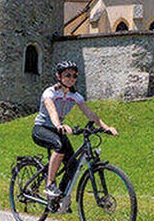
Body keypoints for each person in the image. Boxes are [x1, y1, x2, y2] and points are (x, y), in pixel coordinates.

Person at [32, 60, 117, 198]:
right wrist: (59, 125)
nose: (71, 78)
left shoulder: (75, 96)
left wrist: (106, 127)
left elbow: (90, 113)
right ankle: (50, 185)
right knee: (59, 147)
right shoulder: (50, 93)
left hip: (57, 130)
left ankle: (58, 199)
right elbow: (52, 111)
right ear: (59, 76)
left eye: (74, 76)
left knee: (73, 165)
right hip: (42, 128)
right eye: (68, 75)